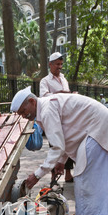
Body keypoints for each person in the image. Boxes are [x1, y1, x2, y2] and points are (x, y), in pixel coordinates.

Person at [10, 86, 108, 215]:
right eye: (21, 114)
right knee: (90, 176)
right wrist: (61, 161)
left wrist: (38, 174)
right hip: (95, 125)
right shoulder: (44, 109)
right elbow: (63, 137)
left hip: (97, 125)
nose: (24, 116)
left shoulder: (46, 110)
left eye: (24, 111)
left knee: (83, 175)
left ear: (32, 101)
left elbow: (58, 145)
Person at [40, 52, 73, 182]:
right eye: (57, 64)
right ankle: (53, 175)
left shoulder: (64, 79)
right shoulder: (45, 81)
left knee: (69, 144)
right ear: (50, 64)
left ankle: (68, 173)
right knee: (55, 145)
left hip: (66, 117)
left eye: (61, 64)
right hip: (53, 118)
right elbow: (43, 97)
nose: (59, 67)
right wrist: (59, 93)